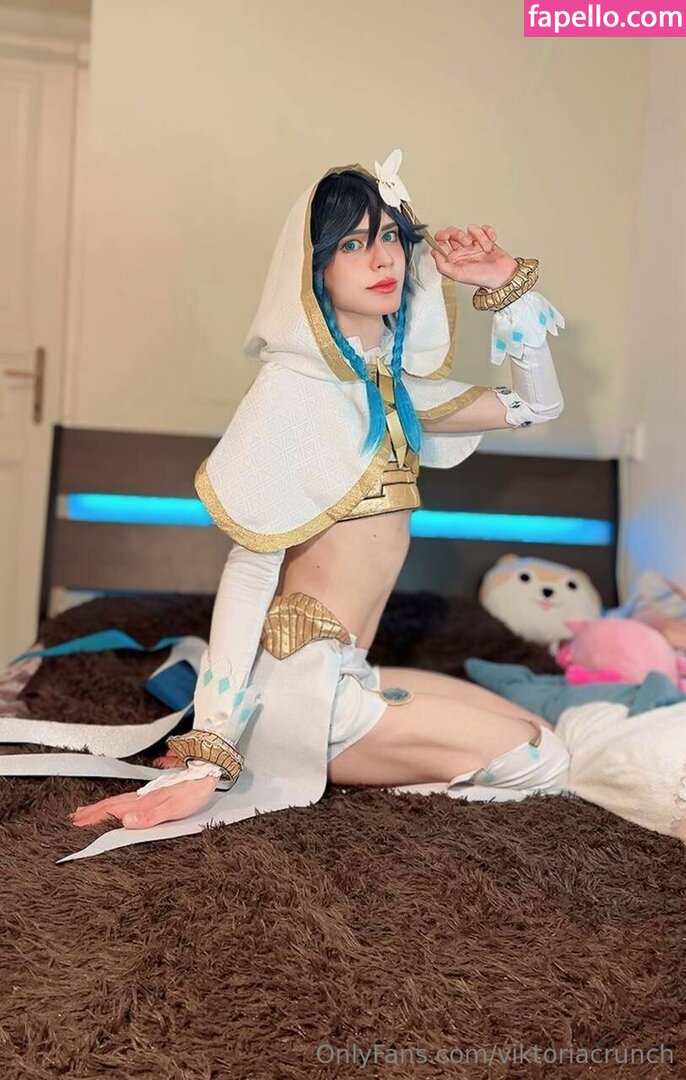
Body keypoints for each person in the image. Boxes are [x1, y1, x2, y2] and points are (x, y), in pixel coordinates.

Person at [70, 149, 570, 838]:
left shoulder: (398, 392)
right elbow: (249, 574)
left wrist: (506, 284)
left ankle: (373, 749)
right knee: (544, 758)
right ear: (315, 268)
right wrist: (208, 753)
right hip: (302, 692)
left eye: (390, 236)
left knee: (534, 725)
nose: (383, 258)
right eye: (353, 244)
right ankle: (324, 760)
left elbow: (536, 405)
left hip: (349, 671)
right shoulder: (290, 392)